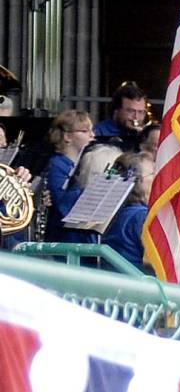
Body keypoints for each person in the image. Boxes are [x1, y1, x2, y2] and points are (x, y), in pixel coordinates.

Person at [45, 109, 95, 242]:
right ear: (67, 136)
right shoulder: (56, 165)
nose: (92, 135)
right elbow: (62, 205)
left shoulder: (85, 162)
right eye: (85, 131)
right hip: (62, 235)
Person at [102, 152, 155, 270]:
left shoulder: (114, 212)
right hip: (136, 284)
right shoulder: (140, 216)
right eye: (153, 173)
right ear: (136, 182)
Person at [94, 83, 147, 150]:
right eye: (131, 111)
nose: (136, 117)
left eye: (140, 112)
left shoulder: (145, 135)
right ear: (116, 111)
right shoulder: (98, 132)